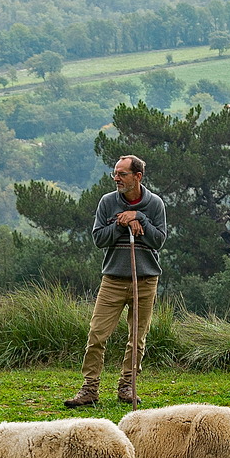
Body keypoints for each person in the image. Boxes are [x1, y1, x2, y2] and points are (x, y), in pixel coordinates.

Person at [64, 154, 167, 408]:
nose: (116, 178)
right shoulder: (107, 203)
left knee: (137, 337)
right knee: (97, 334)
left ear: (137, 177)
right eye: (115, 173)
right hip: (113, 279)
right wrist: (122, 224)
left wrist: (140, 218)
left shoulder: (154, 205)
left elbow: (158, 240)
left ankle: (127, 387)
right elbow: (99, 238)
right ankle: (89, 389)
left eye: (122, 174)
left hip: (145, 280)